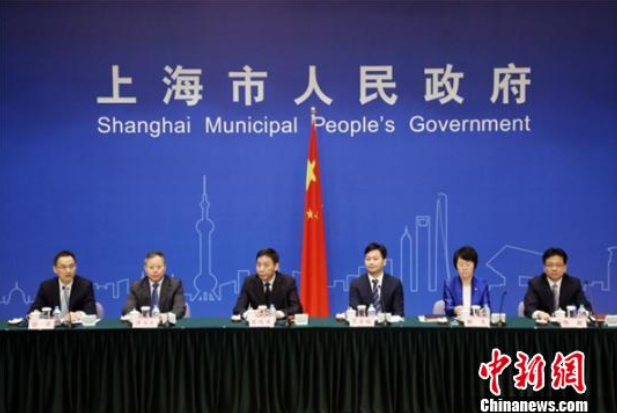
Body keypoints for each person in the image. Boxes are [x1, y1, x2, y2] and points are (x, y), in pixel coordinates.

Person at [524, 247, 591, 320]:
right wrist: (538, 314)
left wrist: (584, 313)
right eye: (550, 265)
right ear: (544, 268)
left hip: (566, 324)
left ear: (565, 268)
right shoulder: (535, 283)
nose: (554, 268)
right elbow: (529, 308)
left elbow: (584, 306)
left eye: (558, 265)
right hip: (543, 324)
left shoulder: (574, 283)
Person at [233, 248, 303, 318]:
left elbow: (297, 308)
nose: (261, 269)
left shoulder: (288, 282)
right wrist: (249, 314)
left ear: (276, 266)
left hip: (279, 323)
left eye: (266, 265)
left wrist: (279, 314)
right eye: (258, 265)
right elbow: (238, 309)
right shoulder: (249, 282)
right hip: (258, 323)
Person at [30, 250, 97, 318]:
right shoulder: (46, 287)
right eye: (63, 267)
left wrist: (78, 315)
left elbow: (91, 313)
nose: (68, 271)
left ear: (76, 267)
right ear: (55, 269)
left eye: (71, 266)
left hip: (76, 324)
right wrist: (37, 314)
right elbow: (34, 310)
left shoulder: (85, 286)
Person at [122, 251, 186, 318]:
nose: (155, 271)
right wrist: (138, 316)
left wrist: (164, 317)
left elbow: (179, 309)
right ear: (145, 268)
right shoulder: (136, 286)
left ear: (165, 267)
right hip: (143, 324)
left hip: (167, 324)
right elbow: (127, 309)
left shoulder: (175, 285)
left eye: (159, 267)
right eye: (151, 267)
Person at [349, 242, 404, 316]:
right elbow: (354, 312)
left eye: (375, 259)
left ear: (384, 262)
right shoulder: (356, 284)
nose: (371, 262)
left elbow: (399, 313)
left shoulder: (395, 284)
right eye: (368, 259)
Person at [443, 246, 491, 316]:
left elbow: (487, 307)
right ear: (456, 266)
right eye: (461, 264)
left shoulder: (482, 284)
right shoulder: (449, 284)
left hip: (476, 321)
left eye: (468, 264)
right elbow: (447, 308)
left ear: (474, 265)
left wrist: (483, 311)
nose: (464, 268)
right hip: (457, 321)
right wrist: (454, 310)